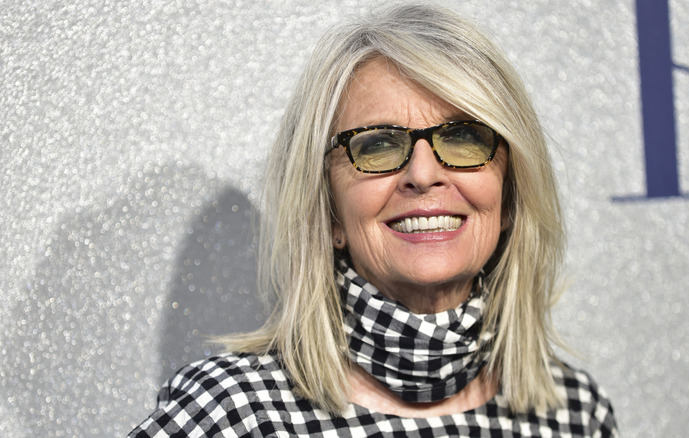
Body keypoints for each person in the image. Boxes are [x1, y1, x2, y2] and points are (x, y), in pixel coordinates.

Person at [130, 3, 617, 436]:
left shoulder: (574, 414)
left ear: (510, 196)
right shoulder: (233, 412)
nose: (423, 174)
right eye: (377, 145)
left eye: (465, 138)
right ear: (328, 210)